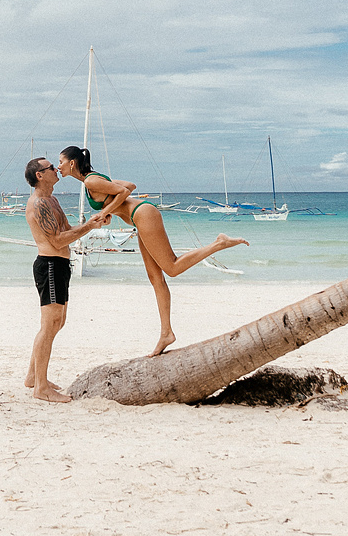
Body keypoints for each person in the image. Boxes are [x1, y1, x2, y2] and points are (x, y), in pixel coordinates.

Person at [54, 145, 247, 357]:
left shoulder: (91, 181)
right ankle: (166, 333)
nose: (58, 167)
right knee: (156, 278)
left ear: (72, 163)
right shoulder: (91, 181)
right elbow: (130, 185)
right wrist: (110, 211)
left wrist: (104, 211)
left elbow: (125, 192)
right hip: (139, 217)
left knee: (172, 268)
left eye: (61, 162)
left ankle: (218, 243)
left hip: (143, 214)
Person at [21, 156, 113, 403]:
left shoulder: (52, 199)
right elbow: (57, 241)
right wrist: (89, 227)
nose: (56, 169)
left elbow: (67, 230)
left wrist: (93, 223)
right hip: (49, 265)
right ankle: (41, 388)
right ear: (40, 175)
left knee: (58, 322)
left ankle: (33, 376)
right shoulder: (38, 203)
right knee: (49, 324)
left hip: (60, 265)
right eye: (51, 167)